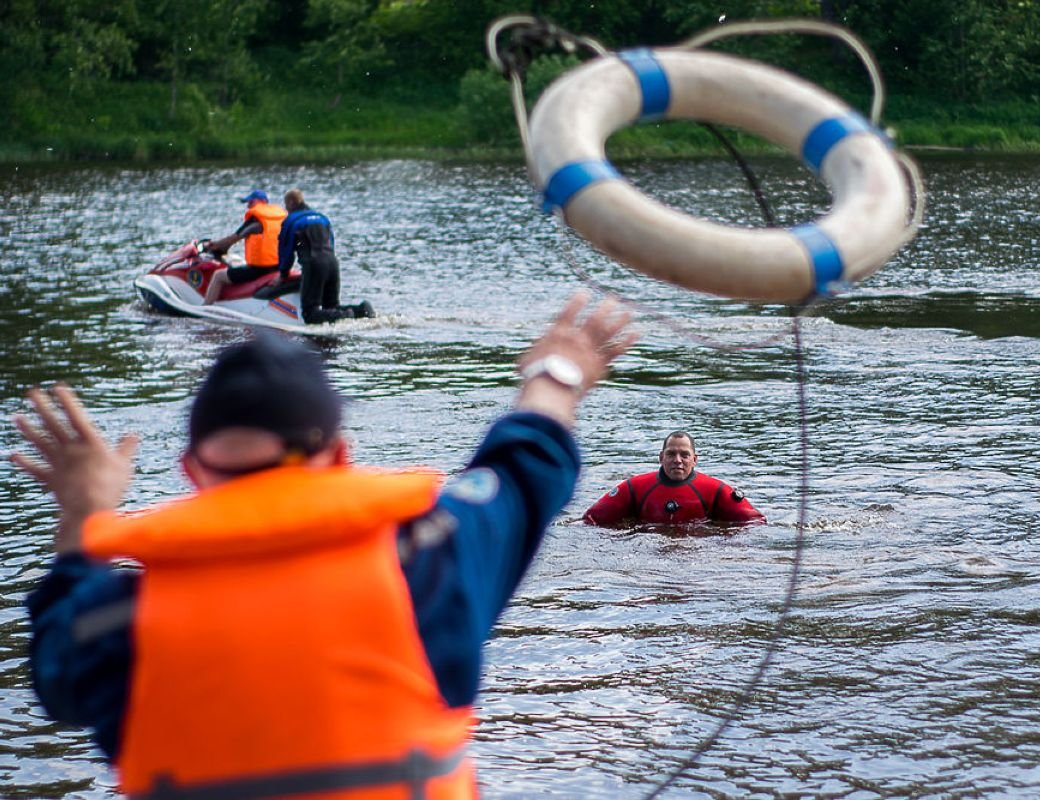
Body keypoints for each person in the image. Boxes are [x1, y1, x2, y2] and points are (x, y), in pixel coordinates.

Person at [11, 292, 636, 799]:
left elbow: (54, 655)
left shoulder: (115, 624)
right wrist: (558, 372)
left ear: (191, 471)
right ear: (340, 456)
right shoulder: (428, 561)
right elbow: (527, 466)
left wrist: (85, 512)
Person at [584, 430, 766, 526]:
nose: (677, 460)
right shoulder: (634, 488)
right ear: (661, 457)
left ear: (694, 460)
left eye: (684, 455)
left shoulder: (716, 491)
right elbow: (590, 521)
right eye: (671, 454)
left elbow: (755, 524)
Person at [276, 187, 374, 323]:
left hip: (314, 264)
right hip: (332, 263)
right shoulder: (322, 218)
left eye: (286, 205)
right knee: (332, 306)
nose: (286, 209)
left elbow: (286, 251)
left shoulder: (291, 221)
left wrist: (283, 274)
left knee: (310, 313)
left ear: (291, 203)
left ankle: (346, 315)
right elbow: (331, 243)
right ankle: (361, 310)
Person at [201, 189, 288, 305]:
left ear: (261, 201)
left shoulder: (257, 219)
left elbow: (233, 238)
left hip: (259, 270)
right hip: (278, 267)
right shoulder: (280, 218)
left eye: (250, 202)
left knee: (218, 276)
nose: (248, 206)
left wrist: (213, 245)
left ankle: (205, 308)